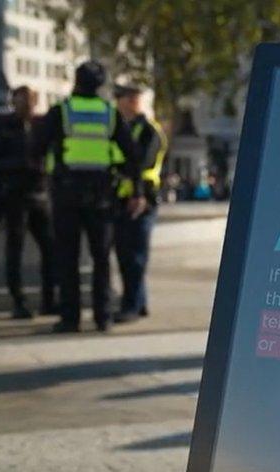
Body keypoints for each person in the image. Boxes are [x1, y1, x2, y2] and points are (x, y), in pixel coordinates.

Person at [32, 61, 142, 333]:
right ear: (101, 85)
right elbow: (132, 156)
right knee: (102, 258)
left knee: (67, 257)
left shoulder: (61, 112)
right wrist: (133, 189)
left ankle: (71, 318)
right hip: (102, 195)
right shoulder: (110, 114)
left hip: (66, 193)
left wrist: (47, 172)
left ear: (76, 81)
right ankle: (102, 316)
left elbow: (35, 147)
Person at [0, 85, 56, 319]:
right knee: (15, 249)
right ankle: (19, 300)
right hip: (15, 194)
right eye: (19, 101)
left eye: (28, 101)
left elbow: (52, 153)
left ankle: (49, 300)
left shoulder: (40, 126)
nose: (24, 106)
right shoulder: (2, 126)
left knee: (50, 248)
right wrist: (21, 166)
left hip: (39, 194)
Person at [111, 84, 167, 323]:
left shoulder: (149, 131)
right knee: (126, 255)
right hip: (124, 199)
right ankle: (138, 302)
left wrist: (117, 167)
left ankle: (131, 305)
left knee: (134, 256)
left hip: (143, 199)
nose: (118, 103)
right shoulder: (125, 128)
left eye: (122, 99)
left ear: (133, 101)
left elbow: (142, 163)